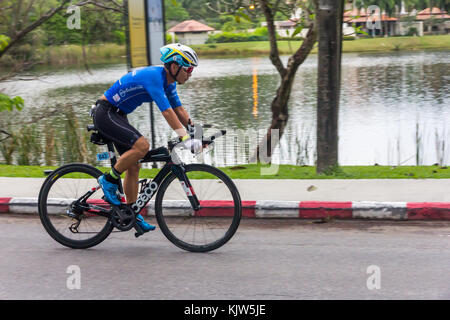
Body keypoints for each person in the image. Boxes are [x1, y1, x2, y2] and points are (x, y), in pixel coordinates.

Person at [92, 43, 202, 233]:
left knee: (134, 165)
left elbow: (179, 109)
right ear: (174, 66)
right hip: (106, 112)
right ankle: (108, 180)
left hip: (118, 114)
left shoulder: (169, 82)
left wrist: (195, 132)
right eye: (188, 69)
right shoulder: (154, 78)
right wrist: (184, 137)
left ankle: (132, 214)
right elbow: (167, 112)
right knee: (142, 146)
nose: (190, 73)